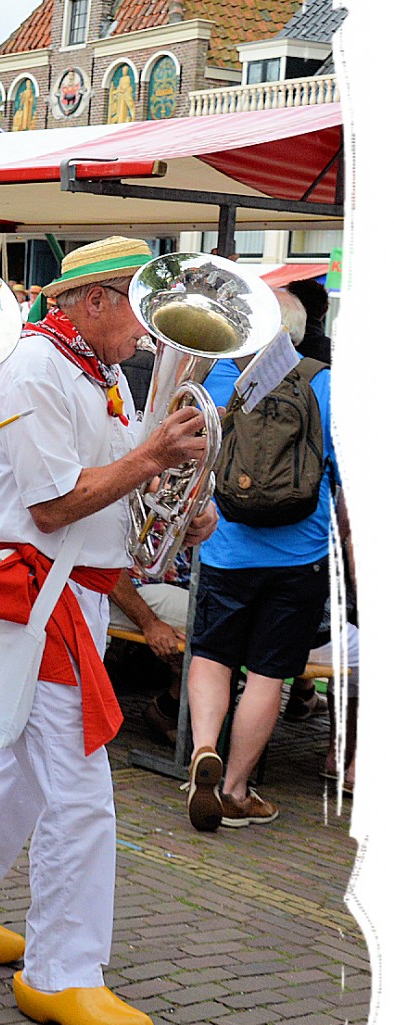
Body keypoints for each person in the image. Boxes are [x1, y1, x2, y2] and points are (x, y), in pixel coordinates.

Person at [0, 237, 217, 1025]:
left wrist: (176, 500)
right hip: (35, 594)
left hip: (57, 595)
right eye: (138, 314)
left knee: (28, 778)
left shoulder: (91, 369)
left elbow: (102, 491)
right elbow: (50, 507)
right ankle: (61, 973)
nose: (146, 336)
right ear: (96, 300)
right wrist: (152, 458)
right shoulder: (38, 367)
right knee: (80, 792)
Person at [183, 288, 339, 831]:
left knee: (212, 656)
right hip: (301, 554)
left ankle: (204, 749)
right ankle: (236, 790)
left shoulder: (221, 379)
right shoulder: (323, 382)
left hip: (227, 549)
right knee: (269, 673)